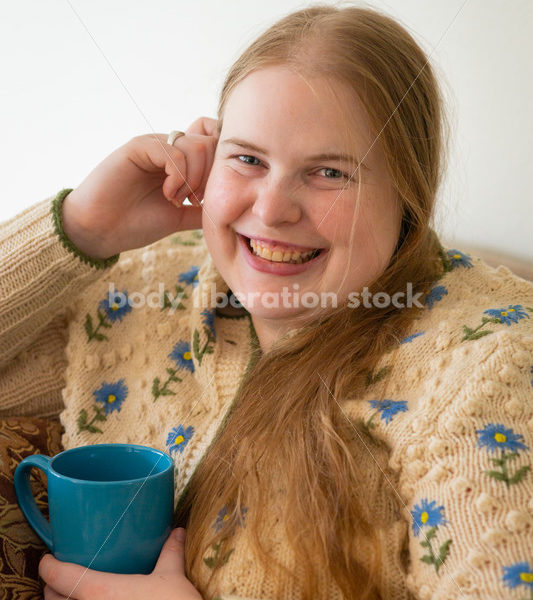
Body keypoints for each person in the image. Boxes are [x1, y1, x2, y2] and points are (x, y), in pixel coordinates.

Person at [1, 3, 532, 599]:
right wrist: (81, 230)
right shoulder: (151, 298)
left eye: (330, 172)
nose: (273, 209)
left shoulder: (487, 365)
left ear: (408, 192)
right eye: (248, 159)